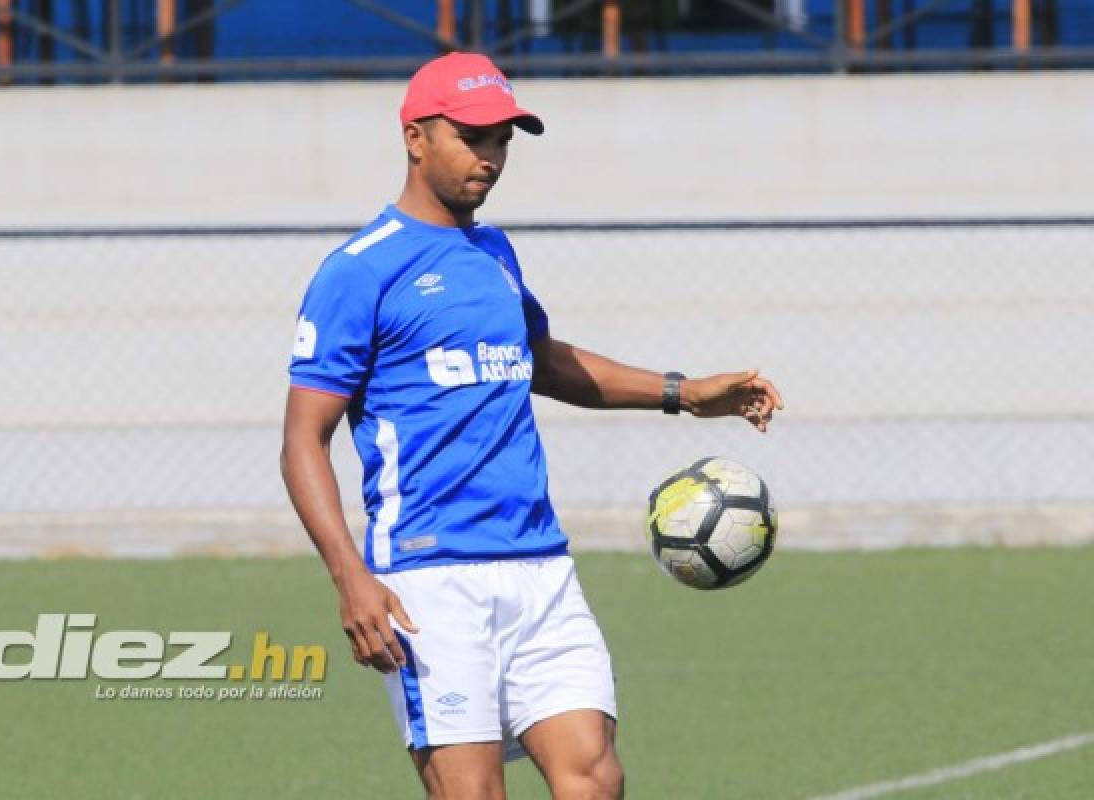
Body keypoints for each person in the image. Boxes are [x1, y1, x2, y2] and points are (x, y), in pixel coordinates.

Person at [280, 51, 784, 800]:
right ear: (415, 137)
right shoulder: (359, 270)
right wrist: (351, 577)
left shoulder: (493, 253)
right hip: (430, 577)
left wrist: (685, 392)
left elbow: (543, 362)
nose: (490, 157)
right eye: (471, 137)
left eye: (503, 140)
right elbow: (301, 442)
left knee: (594, 777)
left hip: (540, 565)